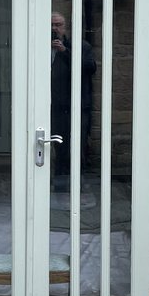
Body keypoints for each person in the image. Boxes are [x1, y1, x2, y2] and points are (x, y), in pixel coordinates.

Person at [50, 11, 96, 177]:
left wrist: (65, 52)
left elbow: (90, 68)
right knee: (56, 144)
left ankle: (77, 183)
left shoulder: (80, 46)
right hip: (53, 104)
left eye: (58, 25)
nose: (54, 29)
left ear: (65, 27)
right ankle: (58, 183)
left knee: (77, 144)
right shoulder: (38, 46)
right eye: (51, 25)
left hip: (75, 105)